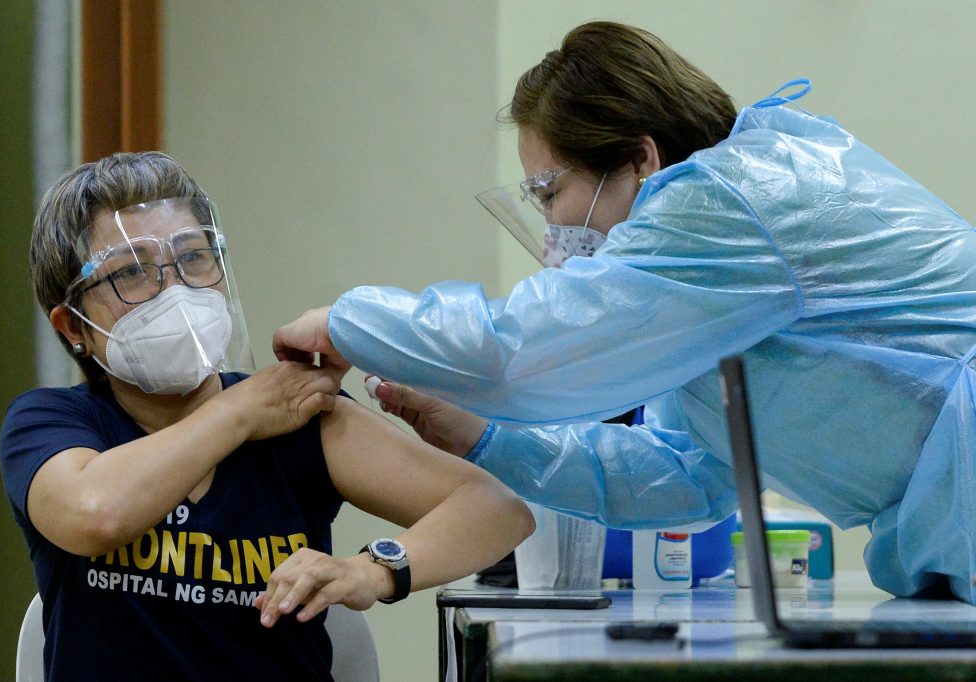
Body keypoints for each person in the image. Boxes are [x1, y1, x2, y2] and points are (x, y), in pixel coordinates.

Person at [273, 21, 976, 604]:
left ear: (640, 158)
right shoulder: (705, 290)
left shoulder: (731, 199)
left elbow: (521, 350)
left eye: (549, 192)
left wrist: (348, 321)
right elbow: (687, 475)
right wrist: (485, 439)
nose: (550, 230)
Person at [0, 151, 533, 681]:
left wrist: (372, 570)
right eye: (132, 274)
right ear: (73, 327)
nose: (175, 290)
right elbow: (96, 514)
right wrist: (239, 413)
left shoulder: (295, 416)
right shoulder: (51, 424)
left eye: (193, 258)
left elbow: (497, 510)